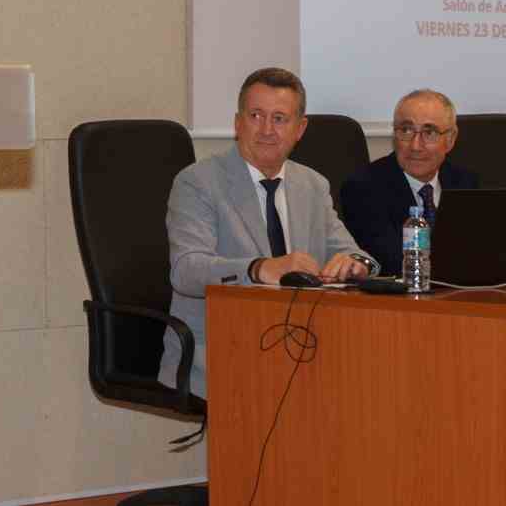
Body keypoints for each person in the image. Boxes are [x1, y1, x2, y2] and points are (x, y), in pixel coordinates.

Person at [160, 68, 375, 398]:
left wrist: (355, 264)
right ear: (237, 123)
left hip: (305, 347)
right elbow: (186, 270)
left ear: (299, 129)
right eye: (256, 115)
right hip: (223, 349)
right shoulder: (198, 182)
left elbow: (356, 253)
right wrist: (258, 268)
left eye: (279, 119)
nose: (266, 130)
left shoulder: (313, 185)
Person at [340, 89, 479, 276]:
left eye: (429, 133)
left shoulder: (465, 182)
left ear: (451, 139)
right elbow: (392, 261)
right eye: (406, 130)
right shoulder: (364, 187)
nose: (415, 146)